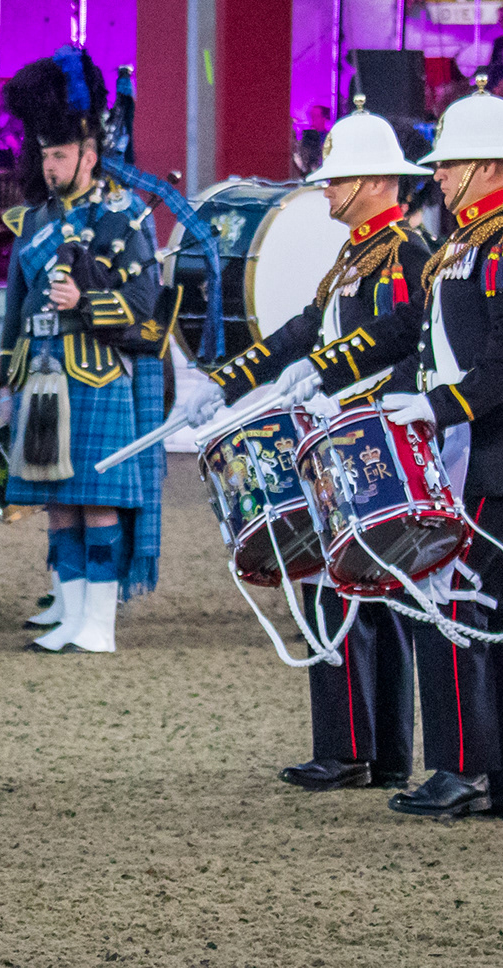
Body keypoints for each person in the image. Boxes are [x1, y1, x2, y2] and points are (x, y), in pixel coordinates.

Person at [197, 103, 431, 794]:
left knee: (354, 592)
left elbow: (400, 338)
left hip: (366, 434)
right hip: (346, 429)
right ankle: (367, 749)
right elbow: (306, 328)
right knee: (359, 592)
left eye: (337, 178)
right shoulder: (358, 252)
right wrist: (228, 381)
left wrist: (331, 379)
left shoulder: (406, 252)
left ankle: (355, 749)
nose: (325, 188)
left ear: (377, 181)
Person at [375, 92, 503, 821]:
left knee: (453, 598)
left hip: (497, 445)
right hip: (473, 445)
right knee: (502, 609)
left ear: (487, 164)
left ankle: (461, 768)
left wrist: (439, 407)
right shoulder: (470, 242)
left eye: (450, 163)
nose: (439, 175)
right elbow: (429, 344)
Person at [0, 48, 165, 655]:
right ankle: (70, 617)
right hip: (42, 375)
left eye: (61, 156)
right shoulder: (32, 221)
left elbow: (145, 302)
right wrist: (8, 378)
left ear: (89, 156)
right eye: (45, 156)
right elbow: (15, 308)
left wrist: (86, 301)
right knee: (58, 506)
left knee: (99, 504)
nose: (50, 166)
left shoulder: (123, 217)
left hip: (97, 374)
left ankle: (100, 624)